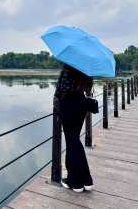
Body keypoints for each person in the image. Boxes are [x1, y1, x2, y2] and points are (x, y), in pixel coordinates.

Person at [53, 63, 94, 192]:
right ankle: (86, 180)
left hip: (68, 105)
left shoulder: (68, 66)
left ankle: (75, 183)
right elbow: (88, 87)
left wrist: (57, 98)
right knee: (75, 141)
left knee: (72, 142)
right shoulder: (86, 67)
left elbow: (60, 90)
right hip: (81, 104)